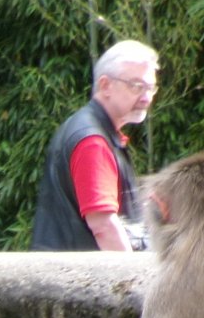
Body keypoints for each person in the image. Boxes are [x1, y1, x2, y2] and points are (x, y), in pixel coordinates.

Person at [31, 40, 160, 252]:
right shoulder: (93, 141)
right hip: (76, 280)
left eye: (150, 87)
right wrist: (133, 278)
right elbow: (104, 226)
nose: (146, 97)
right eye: (136, 86)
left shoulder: (92, 130)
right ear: (105, 85)